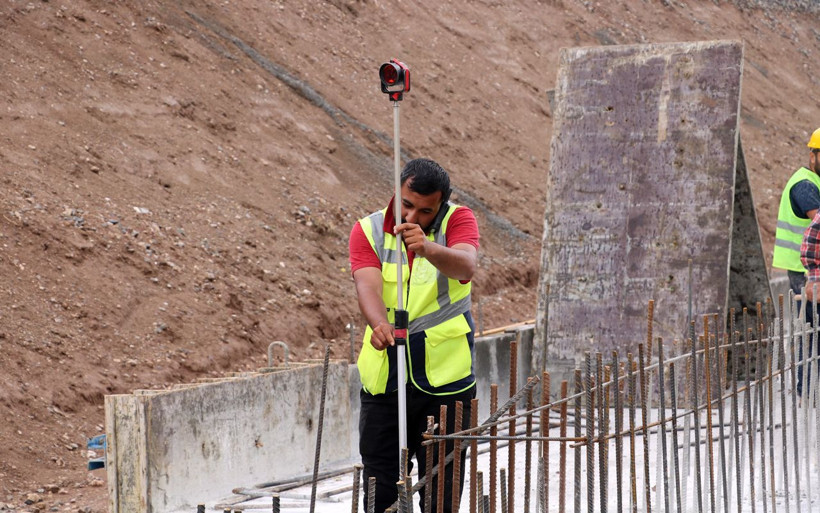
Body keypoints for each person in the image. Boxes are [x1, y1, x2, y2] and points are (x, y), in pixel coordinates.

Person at [349, 158, 480, 513]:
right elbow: (367, 285)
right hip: (385, 383)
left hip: (446, 385)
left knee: (441, 495)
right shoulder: (368, 230)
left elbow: (466, 265)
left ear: (441, 205)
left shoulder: (458, 220)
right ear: (396, 191)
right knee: (381, 493)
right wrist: (379, 323)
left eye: (425, 211)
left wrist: (427, 247)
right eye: (406, 205)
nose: (411, 217)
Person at [776, 127, 820, 395]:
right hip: (805, 270)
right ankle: (808, 389)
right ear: (813, 155)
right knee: (811, 327)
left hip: (812, 267)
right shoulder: (805, 185)